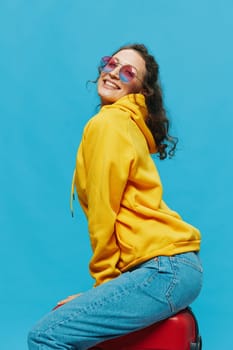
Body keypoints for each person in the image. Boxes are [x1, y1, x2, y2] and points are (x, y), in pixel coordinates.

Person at [28, 43, 203, 350]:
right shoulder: (126, 125)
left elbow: (103, 211)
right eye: (110, 63)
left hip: (163, 268)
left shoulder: (107, 123)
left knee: (45, 336)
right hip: (176, 269)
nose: (112, 73)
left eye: (127, 71)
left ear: (141, 89)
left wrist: (103, 285)